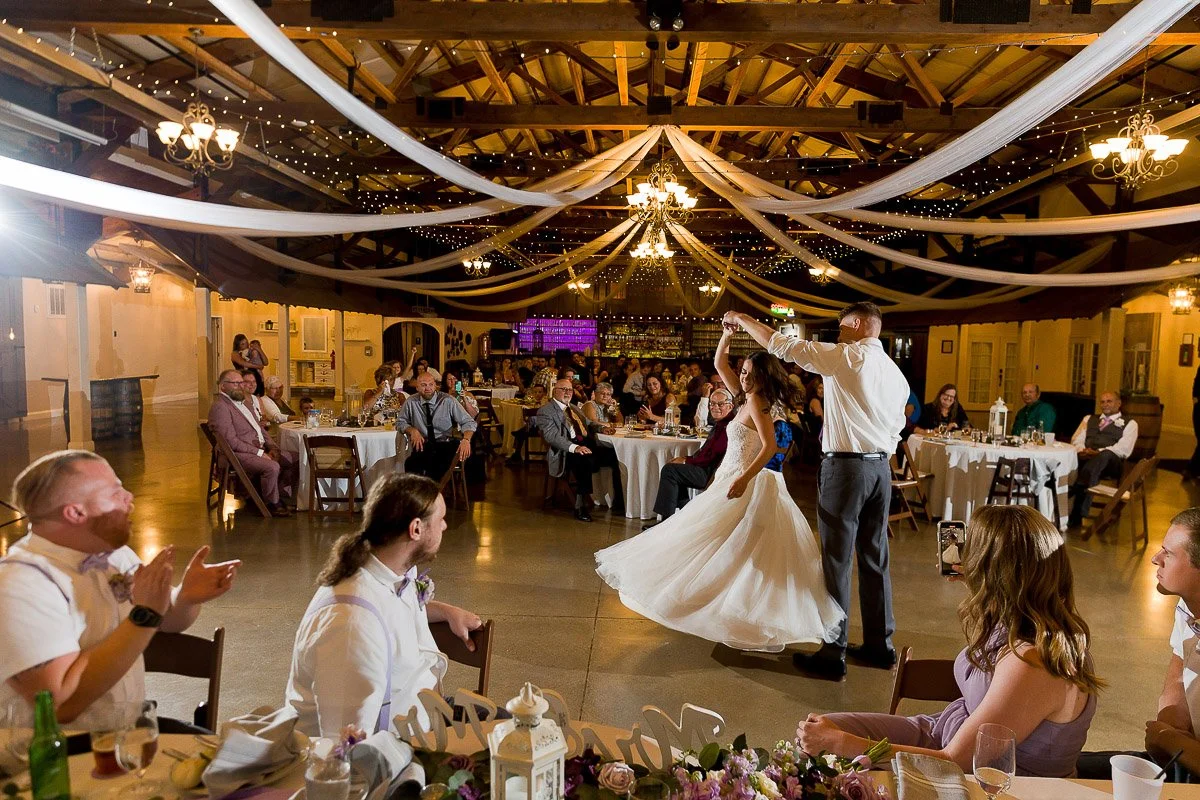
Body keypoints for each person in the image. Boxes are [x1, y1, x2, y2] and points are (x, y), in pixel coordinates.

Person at [797, 504, 1099, 778]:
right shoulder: (1020, 618)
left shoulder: (1033, 664)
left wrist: (843, 744)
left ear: (999, 574)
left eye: (976, 553)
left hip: (988, 781)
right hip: (942, 731)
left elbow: (954, 762)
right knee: (824, 725)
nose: (967, 555)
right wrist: (978, 580)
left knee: (830, 745)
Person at [595, 326, 844, 651]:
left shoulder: (758, 401)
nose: (742, 378)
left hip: (749, 480)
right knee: (724, 544)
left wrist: (743, 479)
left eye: (749, 374)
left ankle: (735, 609)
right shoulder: (747, 397)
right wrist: (727, 335)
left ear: (764, 376)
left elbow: (769, 448)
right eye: (742, 372)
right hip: (733, 476)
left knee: (737, 546)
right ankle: (725, 602)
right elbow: (719, 364)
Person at [725, 303, 908, 677]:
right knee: (875, 558)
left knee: (836, 559)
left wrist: (743, 320)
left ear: (857, 325)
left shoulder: (849, 357)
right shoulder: (895, 373)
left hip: (847, 468)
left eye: (842, 327)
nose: (838, 334)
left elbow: (783, 346)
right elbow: (896, 426)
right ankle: (879, 645)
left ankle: (833, 650)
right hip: (879, 469)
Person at [0, 450, 240, 729]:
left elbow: (167, 621)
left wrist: (184, 597)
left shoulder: (113, 556)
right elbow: (60, 706)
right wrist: (145, 615)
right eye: (115, 493)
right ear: (76, 512)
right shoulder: (20, 585)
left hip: (124, 734)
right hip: (57, 758)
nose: (130, 498)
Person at [286, 472, 483, 736]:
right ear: (416, 529)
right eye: (441, 519)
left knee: (519, 728)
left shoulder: (392, 568)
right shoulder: (350, 623)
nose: (445, 526)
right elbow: (346, 744)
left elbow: (390, 612)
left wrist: (445, 612)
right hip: (394, 744)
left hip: (425, 712)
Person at [1145, 507, 1200, 776]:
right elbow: (1180, 667)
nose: (1156, 559)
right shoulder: (1188, 606)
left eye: (1169, 553)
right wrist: (1169, 726)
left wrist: (1170, 740)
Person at [207, 369, 298, 516]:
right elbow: (230, 442)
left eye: (240, 382)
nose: (239, 386)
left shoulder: (243, 402)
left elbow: (260, 429)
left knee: (295, 458)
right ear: (223, 386)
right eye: (234, 383)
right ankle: (271, 504)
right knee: (272, 467)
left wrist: (273, 447)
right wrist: (260, 453)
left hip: (257, 448)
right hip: (237, 454)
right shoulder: (221, 407)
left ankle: (280, 497)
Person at [535, 379, 623, 522]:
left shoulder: (574, 408)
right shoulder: (546, 411)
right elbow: (552, 437)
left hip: (585, 442)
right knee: (585, 460)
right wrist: (575, 448)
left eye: (569, 390)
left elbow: (588, 423)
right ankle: (580, 505)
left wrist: (601, 428)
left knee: (616, 456)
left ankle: (619, 500)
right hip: (566, 449)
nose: (567, 393)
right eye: (563, 389)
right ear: (554, 391)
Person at [646, 388, 736, 525]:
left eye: (720, 404)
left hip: (712, 473)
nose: (715, 407)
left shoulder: (728, 426)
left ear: (730, 406)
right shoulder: (720, 423)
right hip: (707, 467)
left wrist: (687, 460)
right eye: (712, 403)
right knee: (675, 471)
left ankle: (665, 523)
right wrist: (687, 460)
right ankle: (684, 516)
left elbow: (713, 455)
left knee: (670, 471)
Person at [1067, 391, 1139, 528]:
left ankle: (1078, 489)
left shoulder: (1130, 424)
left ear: (1119, 404)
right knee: (1073, 458)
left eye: (1109, 401)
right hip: (1086, 459)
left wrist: (1098, 452)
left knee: (1105, 455)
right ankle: (1078, 500)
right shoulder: (1089, 419)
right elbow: (1076, 439)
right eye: (1102, 401)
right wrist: (1083, 449)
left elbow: (1124, 450)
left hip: (1112, 463)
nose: (1105, 404)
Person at [396, 373, 477, 481]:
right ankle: (417, 496)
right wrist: (412, 430)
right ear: (417, 387)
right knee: (411, 464)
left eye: (431, 384)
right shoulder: (411, 401)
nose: (428, 388)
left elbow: (468, 422)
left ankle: (433, 494)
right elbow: (400, 422)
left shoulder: (447, 400)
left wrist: (466, 439)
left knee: (434, 466)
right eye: (424, 385)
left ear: (435, 385)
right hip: (423, 445)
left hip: (445, 443)